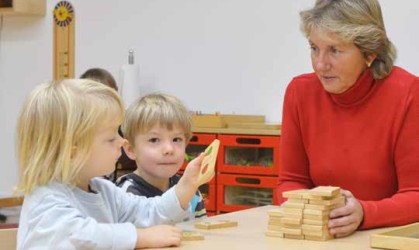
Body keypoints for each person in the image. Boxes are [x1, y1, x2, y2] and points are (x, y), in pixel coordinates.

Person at [277, 0, 419, 238]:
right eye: (314, 48)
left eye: (334, 50)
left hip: (387, 239)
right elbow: (289, 183)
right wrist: (309, 212)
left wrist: (365, 212)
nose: (320, 64)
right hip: (323, 238)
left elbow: (416, 194)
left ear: (369, 53)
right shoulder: (299, 93)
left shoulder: (408, 94)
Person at [16, 79, 205, 249]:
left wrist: (185, 186)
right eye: (110, 138)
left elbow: (148, 211)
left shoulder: (105, 191)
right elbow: (80, 237)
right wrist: (140, 237)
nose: (121, 142)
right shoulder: (46, 198)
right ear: (73, 153)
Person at [116, 93, 207, 220]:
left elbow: (202, 232)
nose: (169, 149)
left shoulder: (189, 188)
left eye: (176, 139)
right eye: (154, 140)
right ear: (131, 149)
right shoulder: (124, 195)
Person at [80, 67, 138, 181]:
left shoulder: (124, 123)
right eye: (102, 96)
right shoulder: (81, 129)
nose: (109, 101)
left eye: (112, 94)